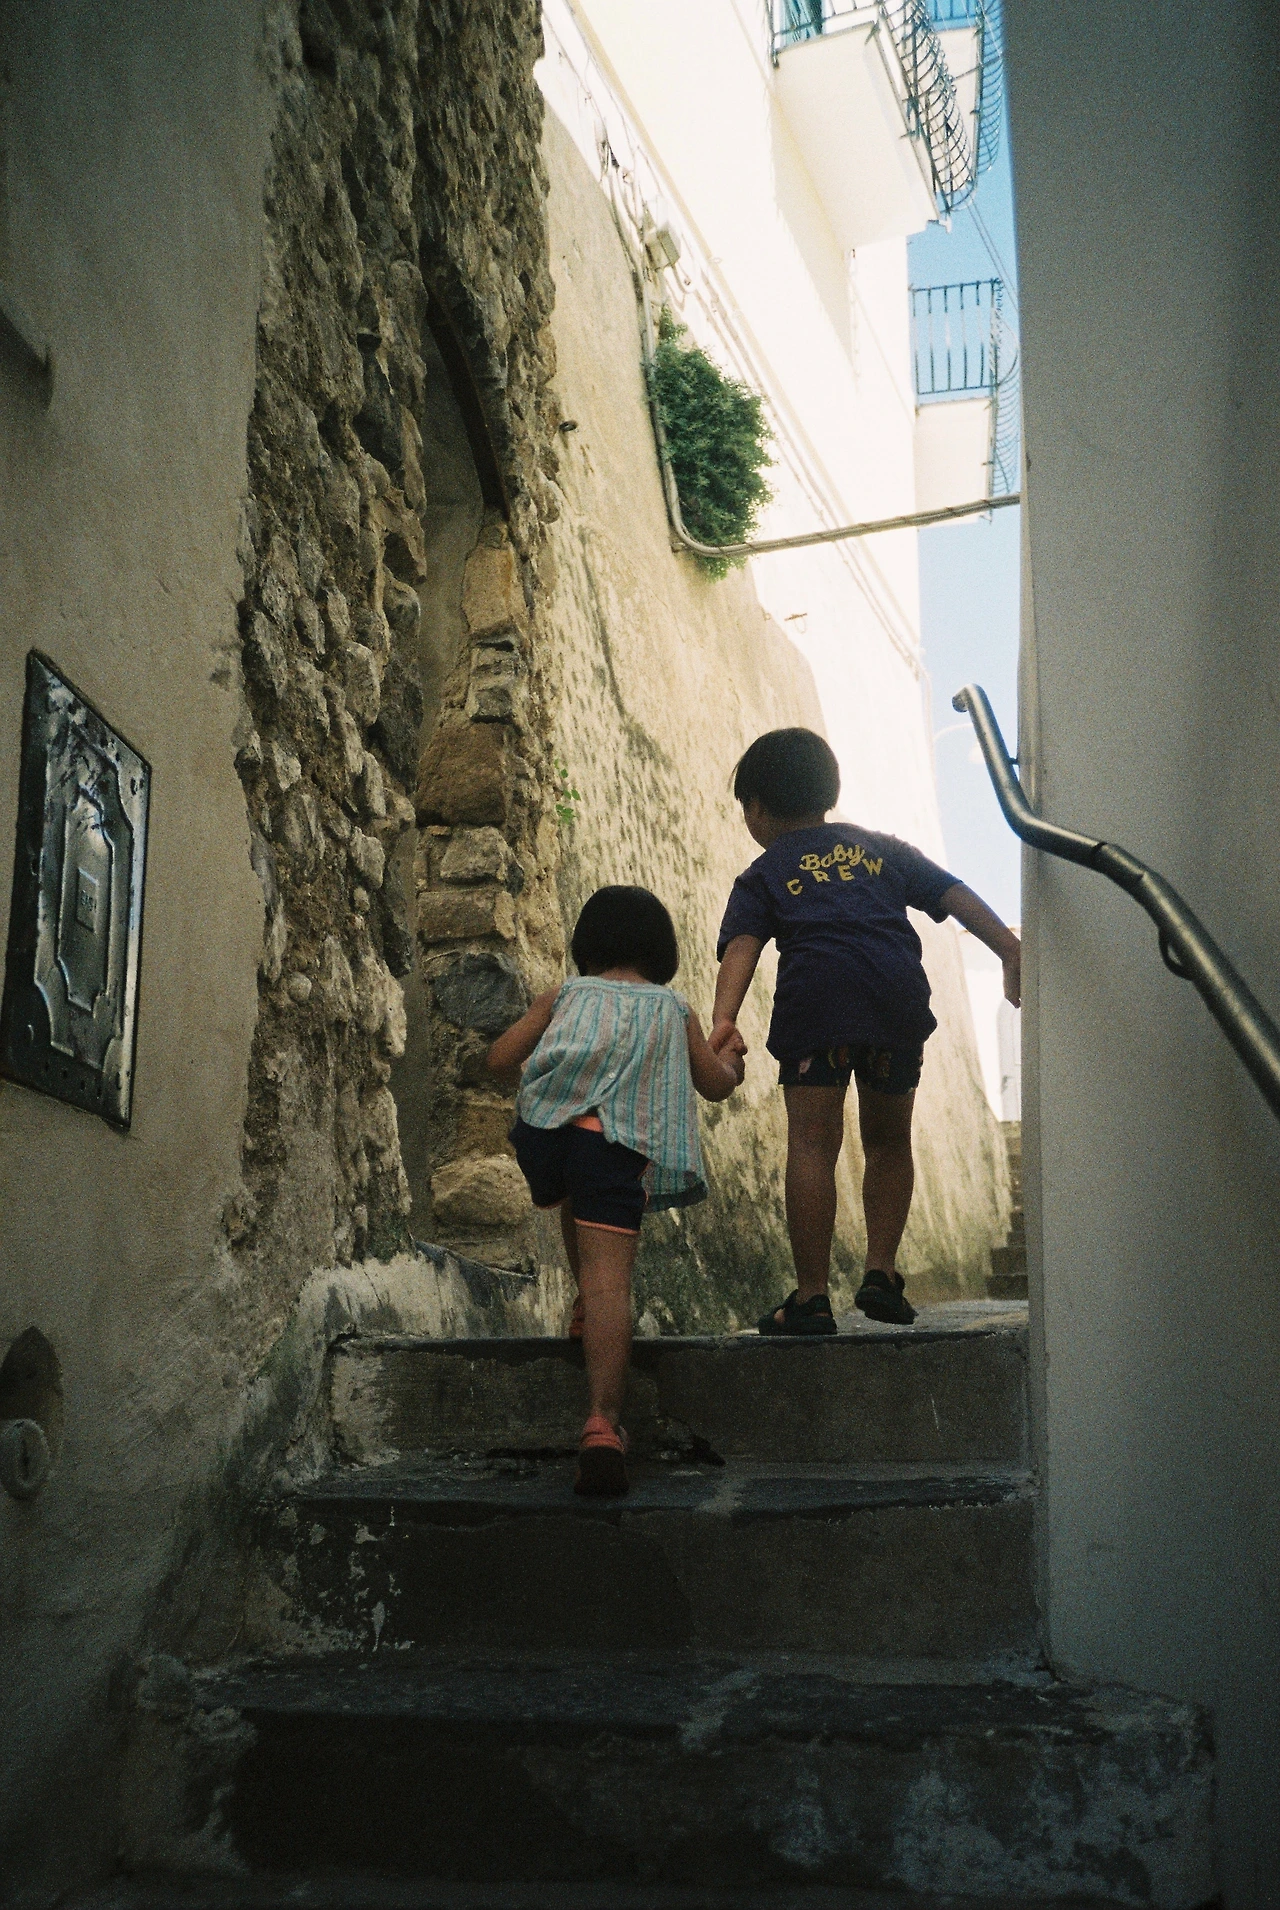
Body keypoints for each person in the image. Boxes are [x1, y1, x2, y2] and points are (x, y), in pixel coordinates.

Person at [708, 728, 1020, 1333]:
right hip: (893, 1000)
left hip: (817, 1003)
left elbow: (742, 946)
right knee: (889, 1140)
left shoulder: (764, 872)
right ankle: (880, 1272)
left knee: (812, 1145)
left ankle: (811, 1297)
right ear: (828, 790)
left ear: (757, 808)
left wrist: (725, 1019)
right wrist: (1009, 949)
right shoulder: (882, 849)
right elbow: (953, 894)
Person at [487, 885, 743, 1495]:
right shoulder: (672, 1009)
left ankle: (583, 1306)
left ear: (587, 943)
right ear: (661, 950)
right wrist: (731, 1062)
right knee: (611, 1281)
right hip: (613, 1147)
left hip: (547, 1137)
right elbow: (713, 1085)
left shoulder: (564, 995)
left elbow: (499, 1059)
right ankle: (602, 1423)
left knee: (572, 1197)